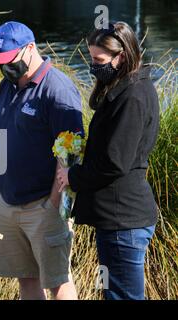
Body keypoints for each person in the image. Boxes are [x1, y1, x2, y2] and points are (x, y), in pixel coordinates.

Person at [56, 21, 160, 300]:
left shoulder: (133, 96)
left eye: (99, 60)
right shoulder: (129, 87)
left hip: (122, 219)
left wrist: (73, 176)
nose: (93, 66)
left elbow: (115, 161)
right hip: (120, 216)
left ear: (121, 56)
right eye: (91, 59)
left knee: (121, 296)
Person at [0, 21, 84, 300]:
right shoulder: (6, 85)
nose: (5, 67)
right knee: (26, 280)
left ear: (30, 48)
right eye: (0, 62)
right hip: (7, 201)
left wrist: (54, 202)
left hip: (43, 205)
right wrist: (0, 188)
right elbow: (2, 136)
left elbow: (69, 153)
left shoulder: (57, 90)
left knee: (58, 282)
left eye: (9, 60)